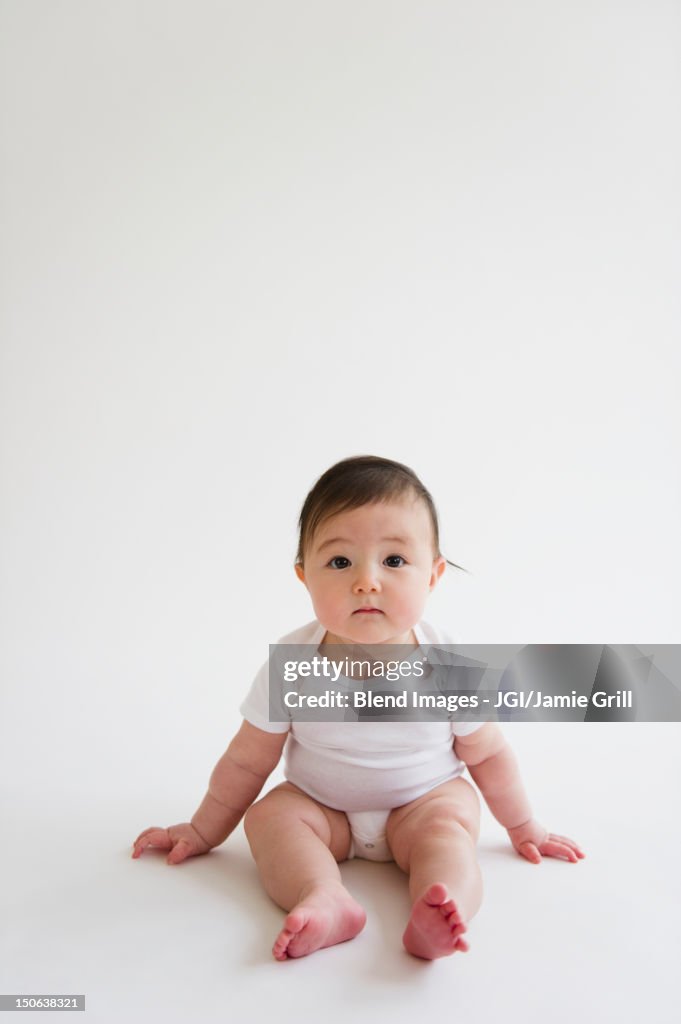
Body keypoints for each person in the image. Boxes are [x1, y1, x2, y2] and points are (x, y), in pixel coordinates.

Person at [132, 455, 584, 961]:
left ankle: (442, 905)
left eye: (393, 561)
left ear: (433, 575)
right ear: (304, 576)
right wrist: (201, 829)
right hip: (324, 810)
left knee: (450, 830)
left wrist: (524, 826)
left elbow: (488, 755)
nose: (367, 581)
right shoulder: (291, 665)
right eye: (340, 562)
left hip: (422, 802)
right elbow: (246, 760)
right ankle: (323, 896)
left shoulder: (452, 665)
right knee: (269, 819)